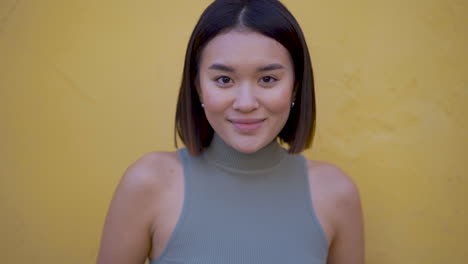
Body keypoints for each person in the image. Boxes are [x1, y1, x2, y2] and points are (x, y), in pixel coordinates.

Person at [97, 0, 364, 263]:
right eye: (224, 80)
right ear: (199, 86)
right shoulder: (148, 184)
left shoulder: (337, 194)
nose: (245, 103)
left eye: (268, 79)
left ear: (295, 86)